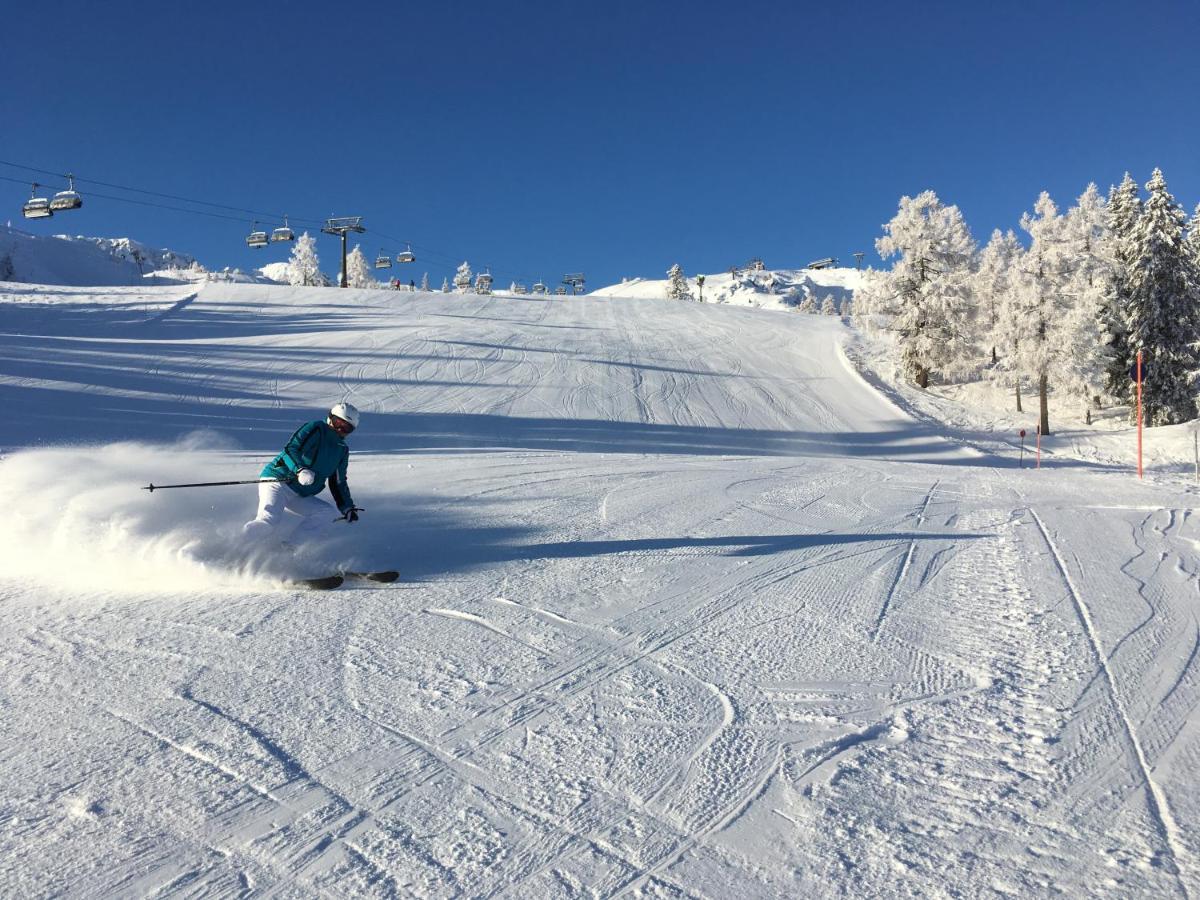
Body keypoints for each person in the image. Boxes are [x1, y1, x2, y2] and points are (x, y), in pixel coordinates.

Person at [243, 402, 361, 545]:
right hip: (278, 481)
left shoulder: (341, 450)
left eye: (346, 427)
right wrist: (300, 469)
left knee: (326, 512)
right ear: (330, 417)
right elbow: (291, 449)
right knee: (269, 519)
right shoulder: (316, 428)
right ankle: (239, 547)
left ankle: (288, 550)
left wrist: (347, 507)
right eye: (338, 422)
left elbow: (338, 482)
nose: (340, 429)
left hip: (299, 493)